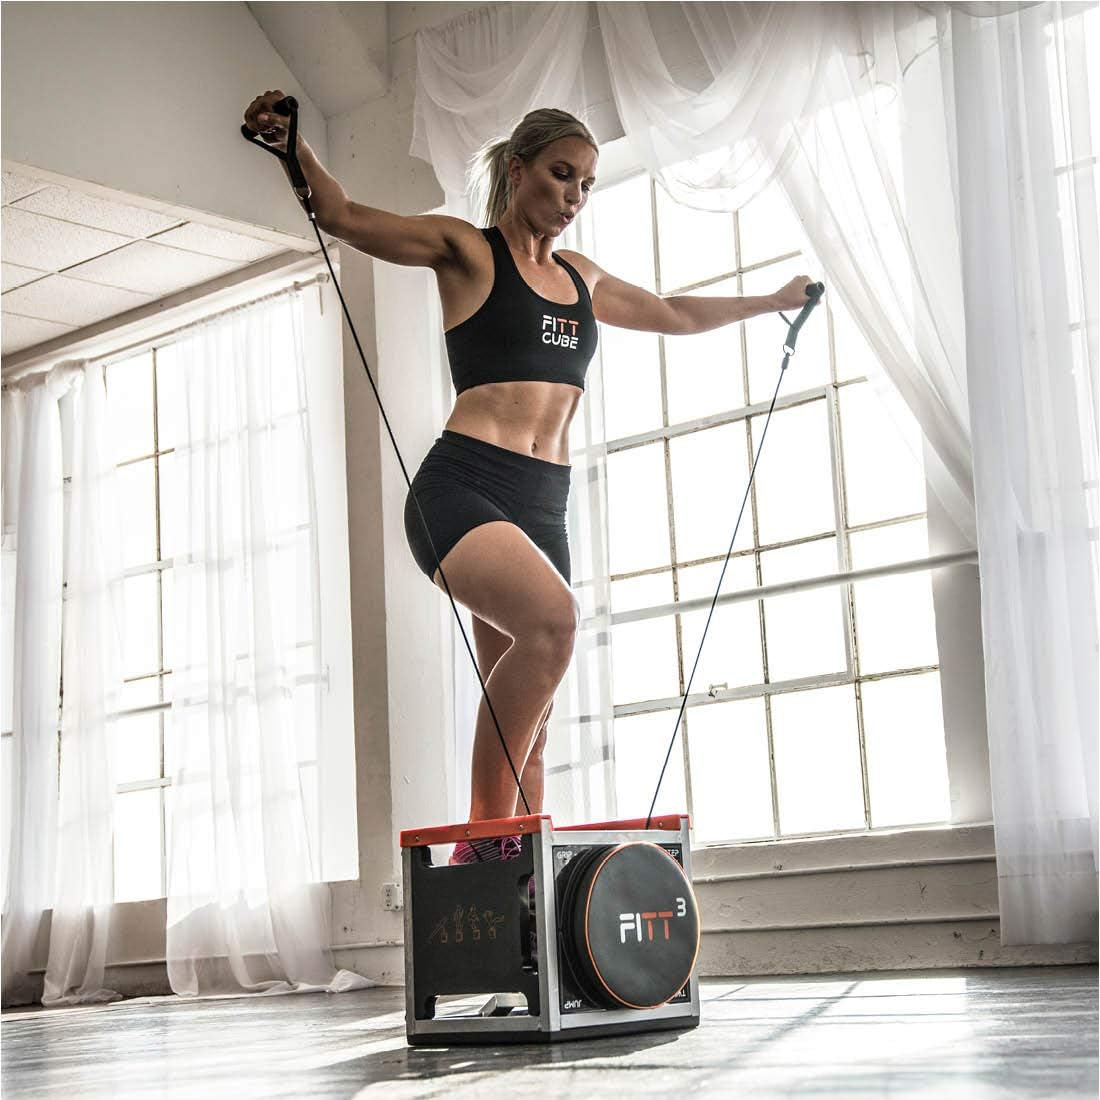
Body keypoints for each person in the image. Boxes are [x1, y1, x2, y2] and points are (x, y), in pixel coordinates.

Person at [243, 94, 816, 864]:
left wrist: (772, 302)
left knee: (534, 729)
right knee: (554, 626)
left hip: (544, 506)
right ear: (518, 171)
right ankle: (483, 843)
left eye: (585, 183)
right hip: (463, 489)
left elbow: (673, 313)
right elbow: (344, 216)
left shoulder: (580, 277)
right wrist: (293, 149)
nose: (574, 195)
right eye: (560, 174)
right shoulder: (468, 252)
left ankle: (523, 922)